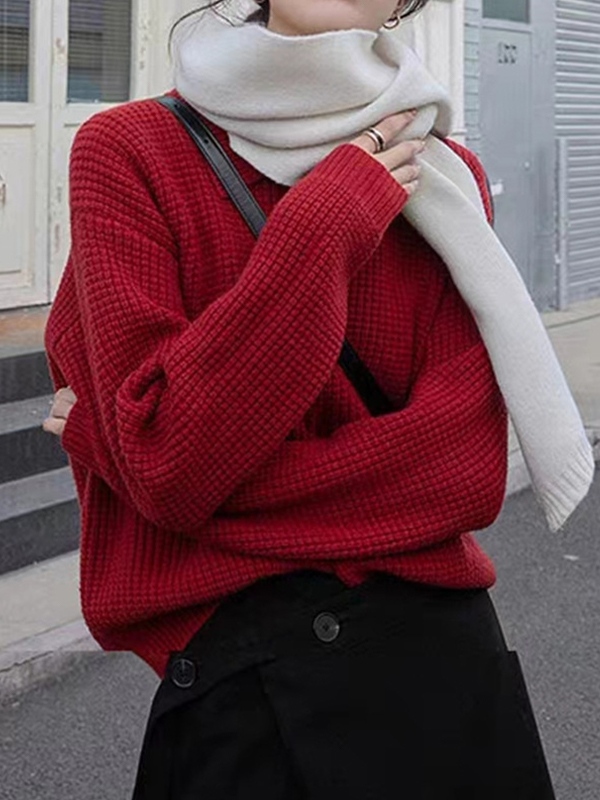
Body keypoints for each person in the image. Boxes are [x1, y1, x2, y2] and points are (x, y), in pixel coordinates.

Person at [43, 0, 592, 796]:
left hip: (438, 681)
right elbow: (170, 463)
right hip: (239, 704)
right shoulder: (132, 151)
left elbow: (461, 477)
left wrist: (129, 456)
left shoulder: (443, 175)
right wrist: (325, 226)